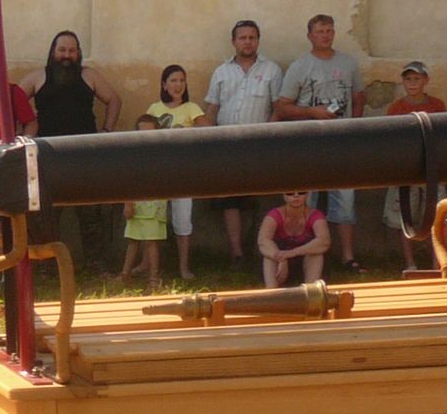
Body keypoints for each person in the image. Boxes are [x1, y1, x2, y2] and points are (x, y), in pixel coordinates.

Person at [20, 31, 123, 265]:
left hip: (84, 154)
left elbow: (114, 100)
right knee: (46, 215)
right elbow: (12, 100)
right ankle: (46, 266)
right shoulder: (38, 77)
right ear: (53, 51)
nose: (67, 55)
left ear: (78, 53)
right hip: (47, 155)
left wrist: (106, 131)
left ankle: (97, 265)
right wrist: (23, 131)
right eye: (62, 50)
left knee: (91, 213)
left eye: (72, 50)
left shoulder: (89, 75)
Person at [274, 14, 365, 272]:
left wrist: (355, 127)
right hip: (309, 143)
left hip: (342, 142)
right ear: (310, 36)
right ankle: (304, 258)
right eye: (320, 31)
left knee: (345, 200)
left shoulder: (348, 63)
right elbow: (282, 106)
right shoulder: (300, 66)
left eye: (329, 31)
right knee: (306, 201)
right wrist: (313, 112)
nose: (325, 35)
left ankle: (347, 257)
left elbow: (359, 96)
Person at [203, 19, 285, 266]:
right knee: (230, 199)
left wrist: (267, 136)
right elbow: (212, 109)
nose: (247, 42)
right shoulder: (221, 72)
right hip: (226, 144)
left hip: (259, 145)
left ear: (258, 41)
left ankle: (261, 249)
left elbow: (278, 108)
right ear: (234, 41)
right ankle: (237, 253)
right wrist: (207, 141)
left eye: (252, 37)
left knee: (258, 197)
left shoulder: (271, 70)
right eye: (243, 38)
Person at [144, 63, 211, 279]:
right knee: (152, 219)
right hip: (158, 172)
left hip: (183, 173)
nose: (178, 85)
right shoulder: (154, 109)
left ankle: (184, 267)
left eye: (182, 80)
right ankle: (146, 264)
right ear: (164, 84)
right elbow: (144, 135)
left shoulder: (192, 108)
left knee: (183, 221)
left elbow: (208, 131)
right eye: (173, 80)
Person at [383, 61, 447, 269]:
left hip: (431, 168)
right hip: (406, 169)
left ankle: (438, 262)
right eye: (408, 79)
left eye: (416, 79)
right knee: (405, 216)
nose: (412, 83)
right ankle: (410, 264)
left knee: (437, 214)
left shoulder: (437, 106)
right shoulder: (396, 108)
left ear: (425, 81)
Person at [119, 114, 168, 290]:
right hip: (137, 204)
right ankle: (125, 274)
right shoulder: (133, 156)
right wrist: (128, 203)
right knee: (133, 240)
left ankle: (154, 278)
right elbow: (128, 180)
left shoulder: (162, 156)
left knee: (151, 242)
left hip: (155, 206)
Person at [257, 190, 331, 289]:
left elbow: (324, 241)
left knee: (316, 254)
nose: (296, 196)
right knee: (269, 257)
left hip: (304, 262)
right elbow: (263, 241)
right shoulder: (274, 215)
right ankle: (271, 289)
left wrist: (292, 253)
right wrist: (281, 258)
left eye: (301, 192)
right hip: (279, 264)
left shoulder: (316, 215)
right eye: (290, 193)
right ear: (284, 195)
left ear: (307, 194)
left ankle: (311, 289)